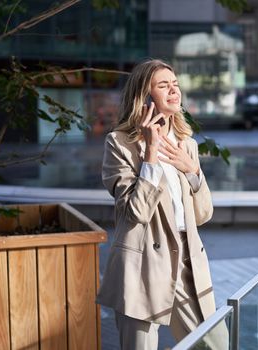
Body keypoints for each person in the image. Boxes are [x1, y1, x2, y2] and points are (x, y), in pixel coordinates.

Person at [97, 59, 228, 350]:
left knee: (214, 344)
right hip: (142, 261)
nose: (174, 90)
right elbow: (136, 213)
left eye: (175, 84)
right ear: (144, 95)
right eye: (163, 85)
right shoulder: (119, 144)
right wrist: (151, 152)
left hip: (187, 258)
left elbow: (204, 214)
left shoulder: (187, 143)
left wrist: (192, 172)